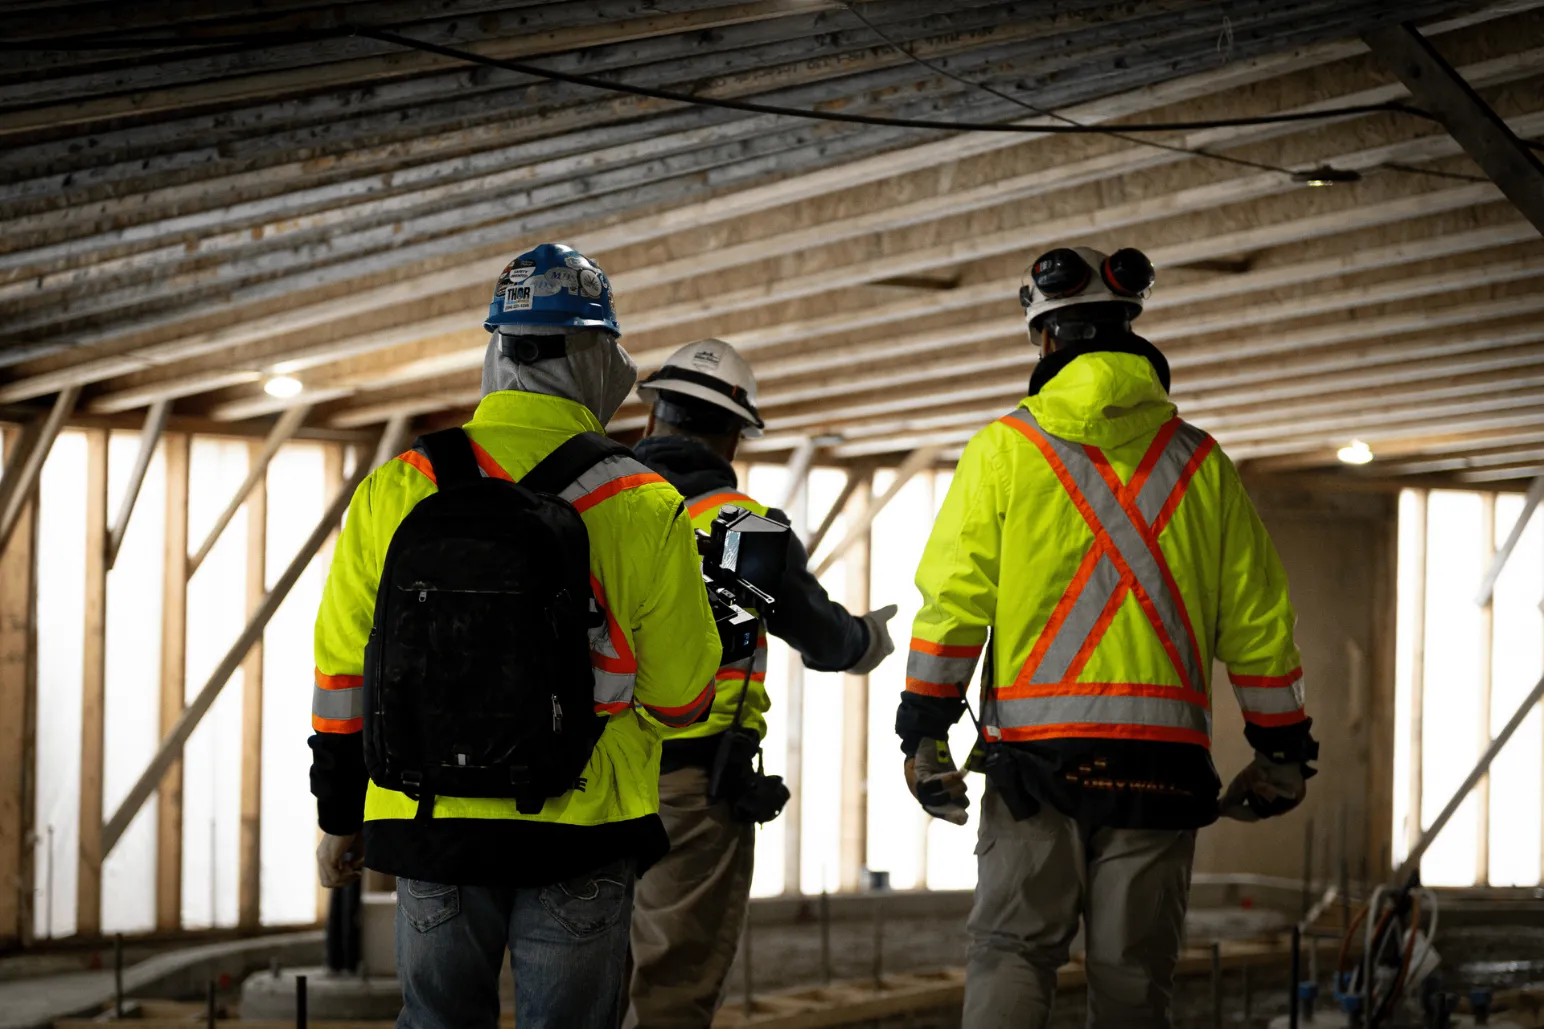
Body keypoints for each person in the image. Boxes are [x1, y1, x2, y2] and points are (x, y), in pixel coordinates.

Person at [895, 246, 1318, 1029]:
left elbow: (953, 602)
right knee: (1134, 975)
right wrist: (1283, 750)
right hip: (1162, 768)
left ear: (1045, 338)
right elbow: (1259, 622)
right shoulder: (1202, 463)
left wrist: (924, 733)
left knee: (1015, 951)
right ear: (1133, 330)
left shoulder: (1006, 449)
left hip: (1034, 762)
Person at [308, 243, 723, 1029]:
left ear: (498, 349)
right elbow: (682, 699)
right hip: (582, 832)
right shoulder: (643, 500)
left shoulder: (399, 484)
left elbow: (341, 670)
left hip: (428, 824)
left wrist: (339, 813)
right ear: (601, 358)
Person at [624, 338, 898, 1029]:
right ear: (732, 440)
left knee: (580, 974)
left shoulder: (595, 504)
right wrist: (868, 638)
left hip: (586, 782)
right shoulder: (740, 527)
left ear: (653, 418)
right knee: (671, 984)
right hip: (689, 789)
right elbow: (826, 639)